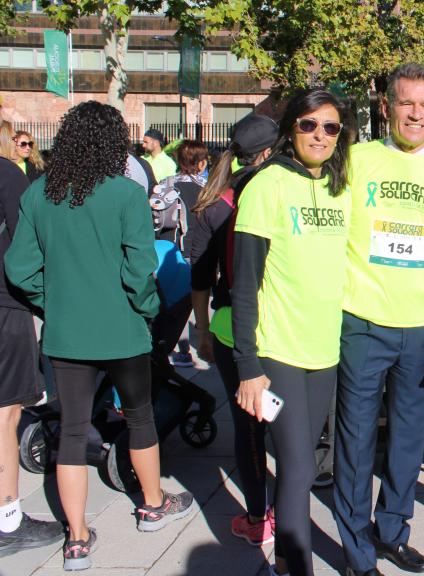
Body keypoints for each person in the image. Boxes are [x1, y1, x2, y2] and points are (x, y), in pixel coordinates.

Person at [4, 101, 196, 572]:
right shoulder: (125, 194)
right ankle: (152, 504)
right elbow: (139, 269)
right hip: (123, 327)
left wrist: (51, 302)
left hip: (65, 331)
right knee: (139, 416)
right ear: (113, 144)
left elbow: (20, 268)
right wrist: (148, 308)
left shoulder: (39, 194)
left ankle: (76, 537)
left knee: (72, 429)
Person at [331, 62, 424, 576]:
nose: (416, 113)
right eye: (407, 102)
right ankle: (357, 553)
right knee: (355, 440)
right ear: (387, 107)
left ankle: (392, 532)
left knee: (410, 439)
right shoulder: (354, 160)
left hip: (420, 331)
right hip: (362, 324)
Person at [231, 90, 353, 576]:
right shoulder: (267, 185)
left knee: (300, 466)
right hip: (276, 352)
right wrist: (248, 366)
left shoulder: (339, 188)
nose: (319, 135)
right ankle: (297, 567)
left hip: (324, 353)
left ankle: (285, 559)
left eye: (330, 127)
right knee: (300, 466)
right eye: (308, 124)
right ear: (291, 129)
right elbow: (244, 284)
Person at [189, 114, 277, 547]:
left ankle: (259, 516)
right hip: (287, 326)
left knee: (248, 428)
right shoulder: (284, 190)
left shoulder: (214, 203)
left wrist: (203, 330)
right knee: (287, 428)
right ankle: (289, 508)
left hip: (230, 327)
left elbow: (200, 277)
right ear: (269, 152)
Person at [0, 141, 64, 559]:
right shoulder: (6, 174)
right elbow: (29, 245)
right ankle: (7, 521)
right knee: (6, 414)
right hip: (4, 308)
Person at [151, 140, 209, 369]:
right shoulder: (206, 189)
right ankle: (183, 350)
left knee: (168, 304)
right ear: (201, 162)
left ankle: (165, 348)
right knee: (189, 302)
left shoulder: (166, 184)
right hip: (194, 252)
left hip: (166, 251)